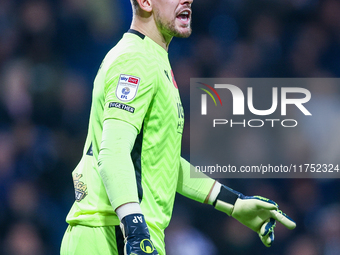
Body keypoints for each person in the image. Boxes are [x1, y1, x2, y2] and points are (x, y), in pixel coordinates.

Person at [60, 0, 296, 254]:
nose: (188, 0)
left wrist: (233, 203)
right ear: (145, 2)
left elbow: (163, 160)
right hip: (112, 232)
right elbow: (113, 152)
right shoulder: (135, 60)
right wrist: (135, 230)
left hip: (128, 232)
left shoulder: (153, 59)